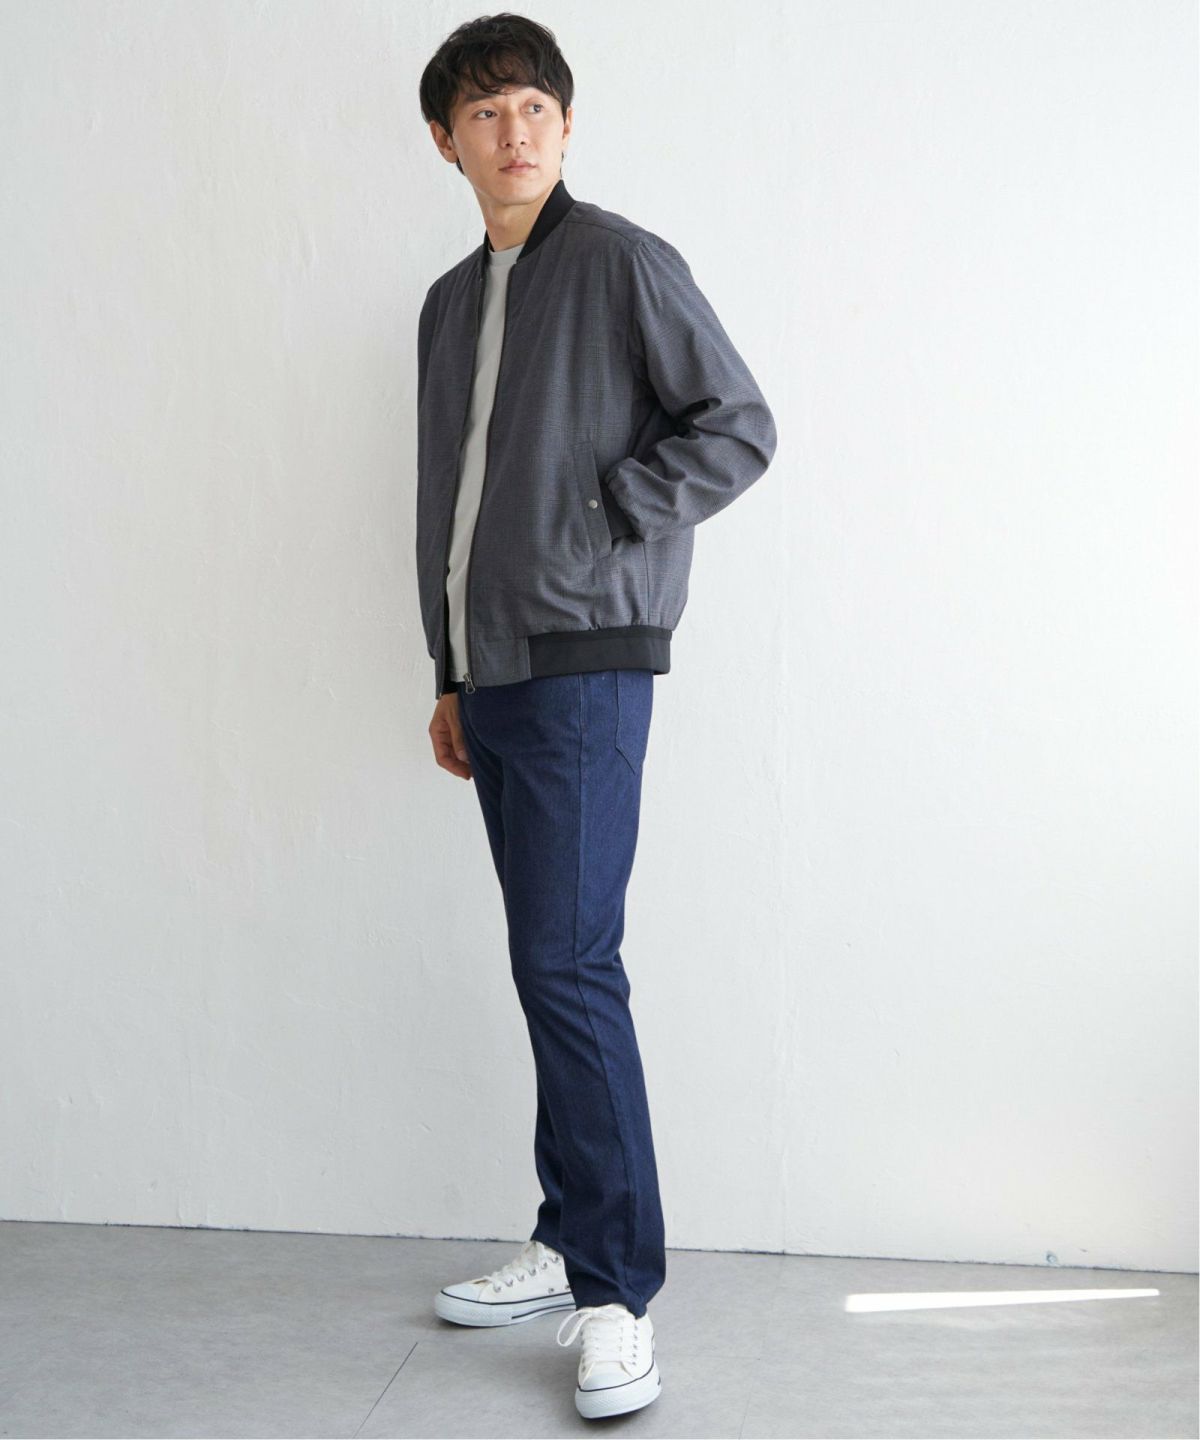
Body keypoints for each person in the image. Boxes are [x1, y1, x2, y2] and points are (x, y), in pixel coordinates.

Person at [415, 12, 777, 1421]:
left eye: (534, 106)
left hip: (583, 658)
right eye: (485, 110)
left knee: (571, 965)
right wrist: (448, 667)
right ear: (445, 140)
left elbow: (735, 424)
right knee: (545, 963)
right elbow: (448, 498)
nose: (514, 129)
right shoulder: (450, 303)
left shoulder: (622, 260)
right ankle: (569, 1238)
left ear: (565, 127)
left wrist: (602, 516)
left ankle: (618, 1292)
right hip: (494, 671)